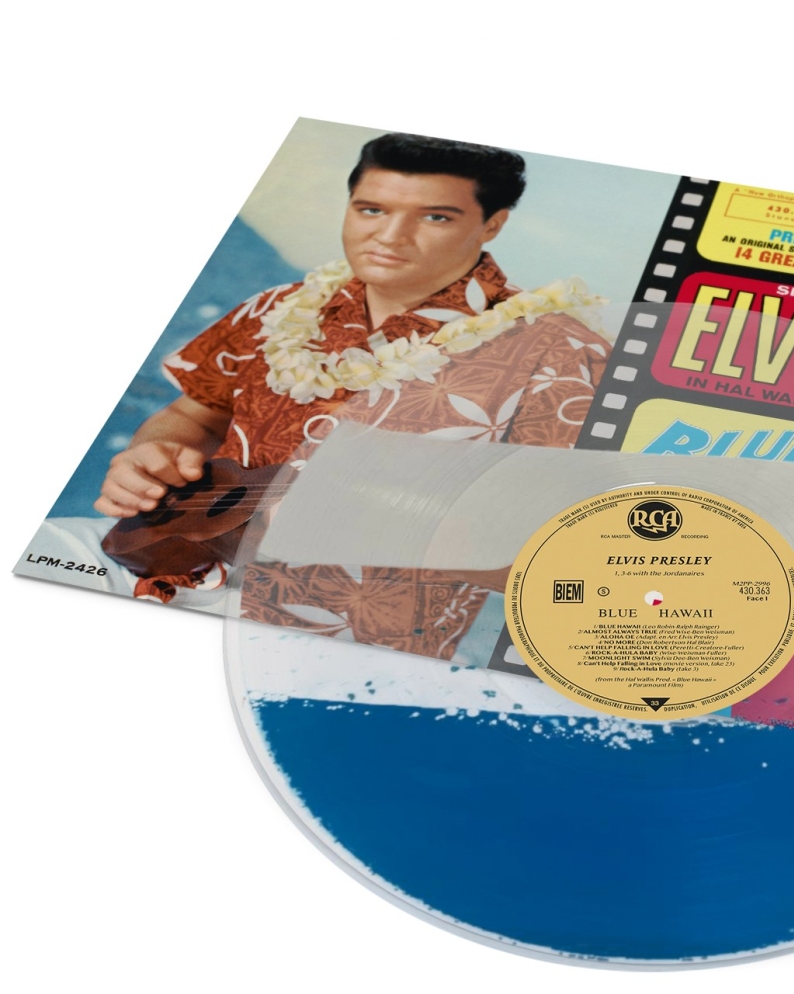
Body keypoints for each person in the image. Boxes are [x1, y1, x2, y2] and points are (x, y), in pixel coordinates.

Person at [92, 133, 611, 654]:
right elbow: (196, 417)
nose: (390, 236)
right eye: (371, 209)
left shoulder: (562, 353)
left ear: (493, 223)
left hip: (349, 638)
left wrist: (375, 523)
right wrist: (152, 456)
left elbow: (569, 554)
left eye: (435, 217)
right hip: (159, 565)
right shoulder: (278, 306)